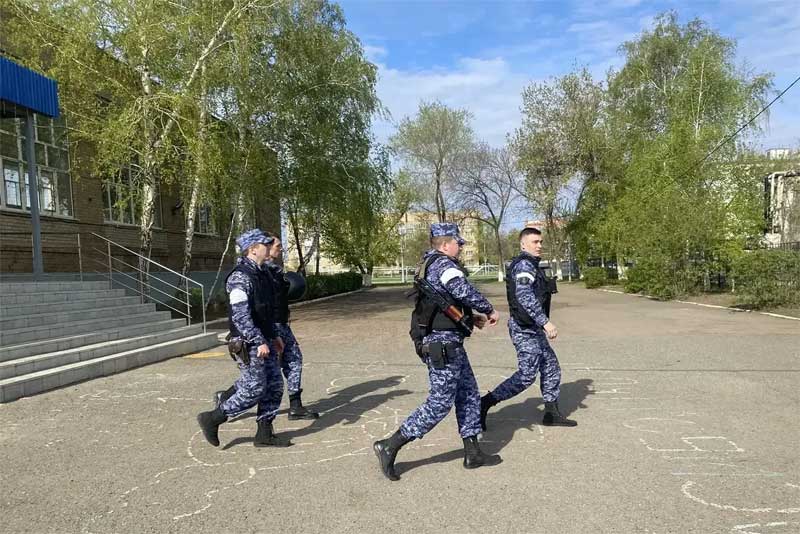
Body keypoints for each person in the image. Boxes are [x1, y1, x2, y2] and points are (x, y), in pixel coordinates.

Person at [373, 222, 502, 481]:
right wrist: (488, 309)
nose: (461, 247)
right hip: (443, 346)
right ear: (445, 245)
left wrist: (469, 318)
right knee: (440, 403)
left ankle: (473, 452)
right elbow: (463, 290)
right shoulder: (443, 265)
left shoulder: (430, 264)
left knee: (468, 394)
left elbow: (443, 303)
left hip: (449, 342)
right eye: (458, 243)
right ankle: (390, 445)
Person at [196, 229, 290, 448]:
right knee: (254, 389)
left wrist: (274, 336)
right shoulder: (240, 277)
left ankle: (264, 434)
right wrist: (259, 341)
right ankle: (213, 418)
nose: (269, 248)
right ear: (253, 249)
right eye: (265, 245)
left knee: (274, 386)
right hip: (248, 343)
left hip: (265, 340)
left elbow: (265, 311)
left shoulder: (262, 273)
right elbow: (240, 316)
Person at [480, 227, 577, 431]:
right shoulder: (524, 265)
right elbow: (524, 296)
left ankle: (551, 412)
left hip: (532, 327)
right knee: (526, 375)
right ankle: (485, 403)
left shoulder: (531, 264)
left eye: (540, 242)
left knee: (550, 366)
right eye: (535, 242)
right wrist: (545, 322)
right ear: (523, 244)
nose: (539, 245)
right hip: (524, 329)